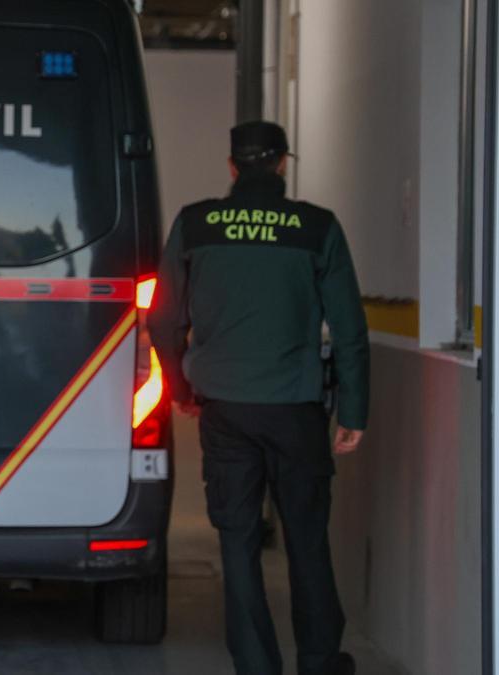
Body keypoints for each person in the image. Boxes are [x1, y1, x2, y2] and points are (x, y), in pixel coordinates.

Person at [148, 120, 369, 675]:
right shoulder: (316, 227)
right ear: (281, 164)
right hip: (296, 410)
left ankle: (255, 665)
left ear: (231, 166)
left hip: (225, 409)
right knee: (307, 539)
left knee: (238, 543)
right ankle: (319, 662)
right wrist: (354, 410)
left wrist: (180, 388)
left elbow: (164, 318)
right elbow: (348, 326)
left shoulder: (197, 224)